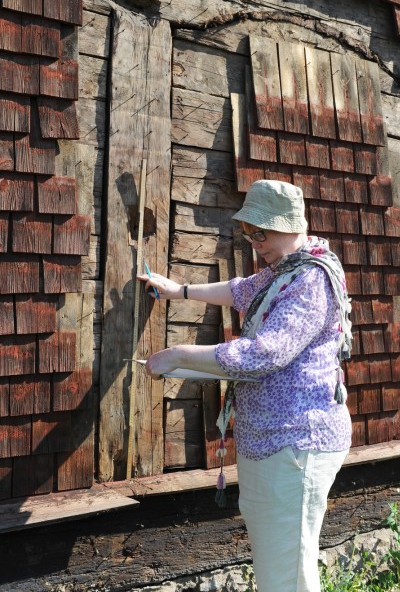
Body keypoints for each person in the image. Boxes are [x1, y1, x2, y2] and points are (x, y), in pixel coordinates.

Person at [137, 179, 352, 592]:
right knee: (278, 563)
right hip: (273, 441)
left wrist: (178, 355)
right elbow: (241, 291)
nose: (255, 242)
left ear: (291, 225)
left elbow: (263, 354)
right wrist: (178, 290)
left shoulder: (309, 280)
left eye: (262, 232)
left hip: (296, 446)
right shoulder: (283, 271)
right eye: (249, 233)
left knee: (287, 574)